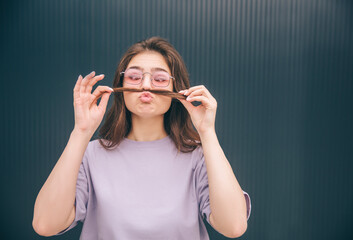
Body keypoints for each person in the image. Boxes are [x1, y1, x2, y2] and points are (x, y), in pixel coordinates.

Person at [32, 36, 251, 239]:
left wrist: (207, 133)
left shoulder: (198, 157)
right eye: (135, 77)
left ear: (178, 89)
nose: (146, 85)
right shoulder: (90, 154)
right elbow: (46, 225)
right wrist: (81, 131)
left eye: (159, 78)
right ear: (122, 86)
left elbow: (233, 227)